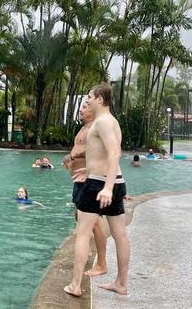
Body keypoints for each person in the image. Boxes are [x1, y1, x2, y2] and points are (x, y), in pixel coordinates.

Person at [65, 83, 130, 297]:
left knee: (82, 233)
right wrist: (89, 169)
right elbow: (103, 155)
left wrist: (107, 187)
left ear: (100, 100)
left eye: (90, 97)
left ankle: (75, 285)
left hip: (102, 185)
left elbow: (113, 153)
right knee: (120, 235)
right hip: (113, 180)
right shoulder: (112, 121)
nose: (88, 100)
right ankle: (121, 283)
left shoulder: (101, 122)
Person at [62, 100, 108, 278]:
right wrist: (70, 158)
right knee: (78, 216)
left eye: (85, 107)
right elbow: (79, 148)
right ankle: (87, 250)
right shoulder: (84, 127)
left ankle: (102, 263)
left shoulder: (95, 128)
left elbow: (100, 151)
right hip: (79, 181)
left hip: (90, 180)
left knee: (95, 223)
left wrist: (73, 155)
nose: (81, 110)